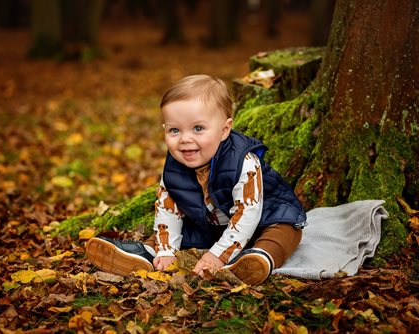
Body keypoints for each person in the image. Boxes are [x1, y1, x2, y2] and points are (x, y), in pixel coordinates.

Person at [86, 74, 306, 285]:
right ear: (164, 130)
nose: (185, 139)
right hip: (212, 224)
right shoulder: (174, 166)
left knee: (285, 230)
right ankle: (147, 254)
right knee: (173, 231)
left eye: (198, 128)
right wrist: (166, 251)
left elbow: (247, 214)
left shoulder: (243, 162)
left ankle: (258, 259)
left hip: (263, 217)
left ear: (224, 130)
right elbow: (168, 208)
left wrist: (218, 255)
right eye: (174, 130)